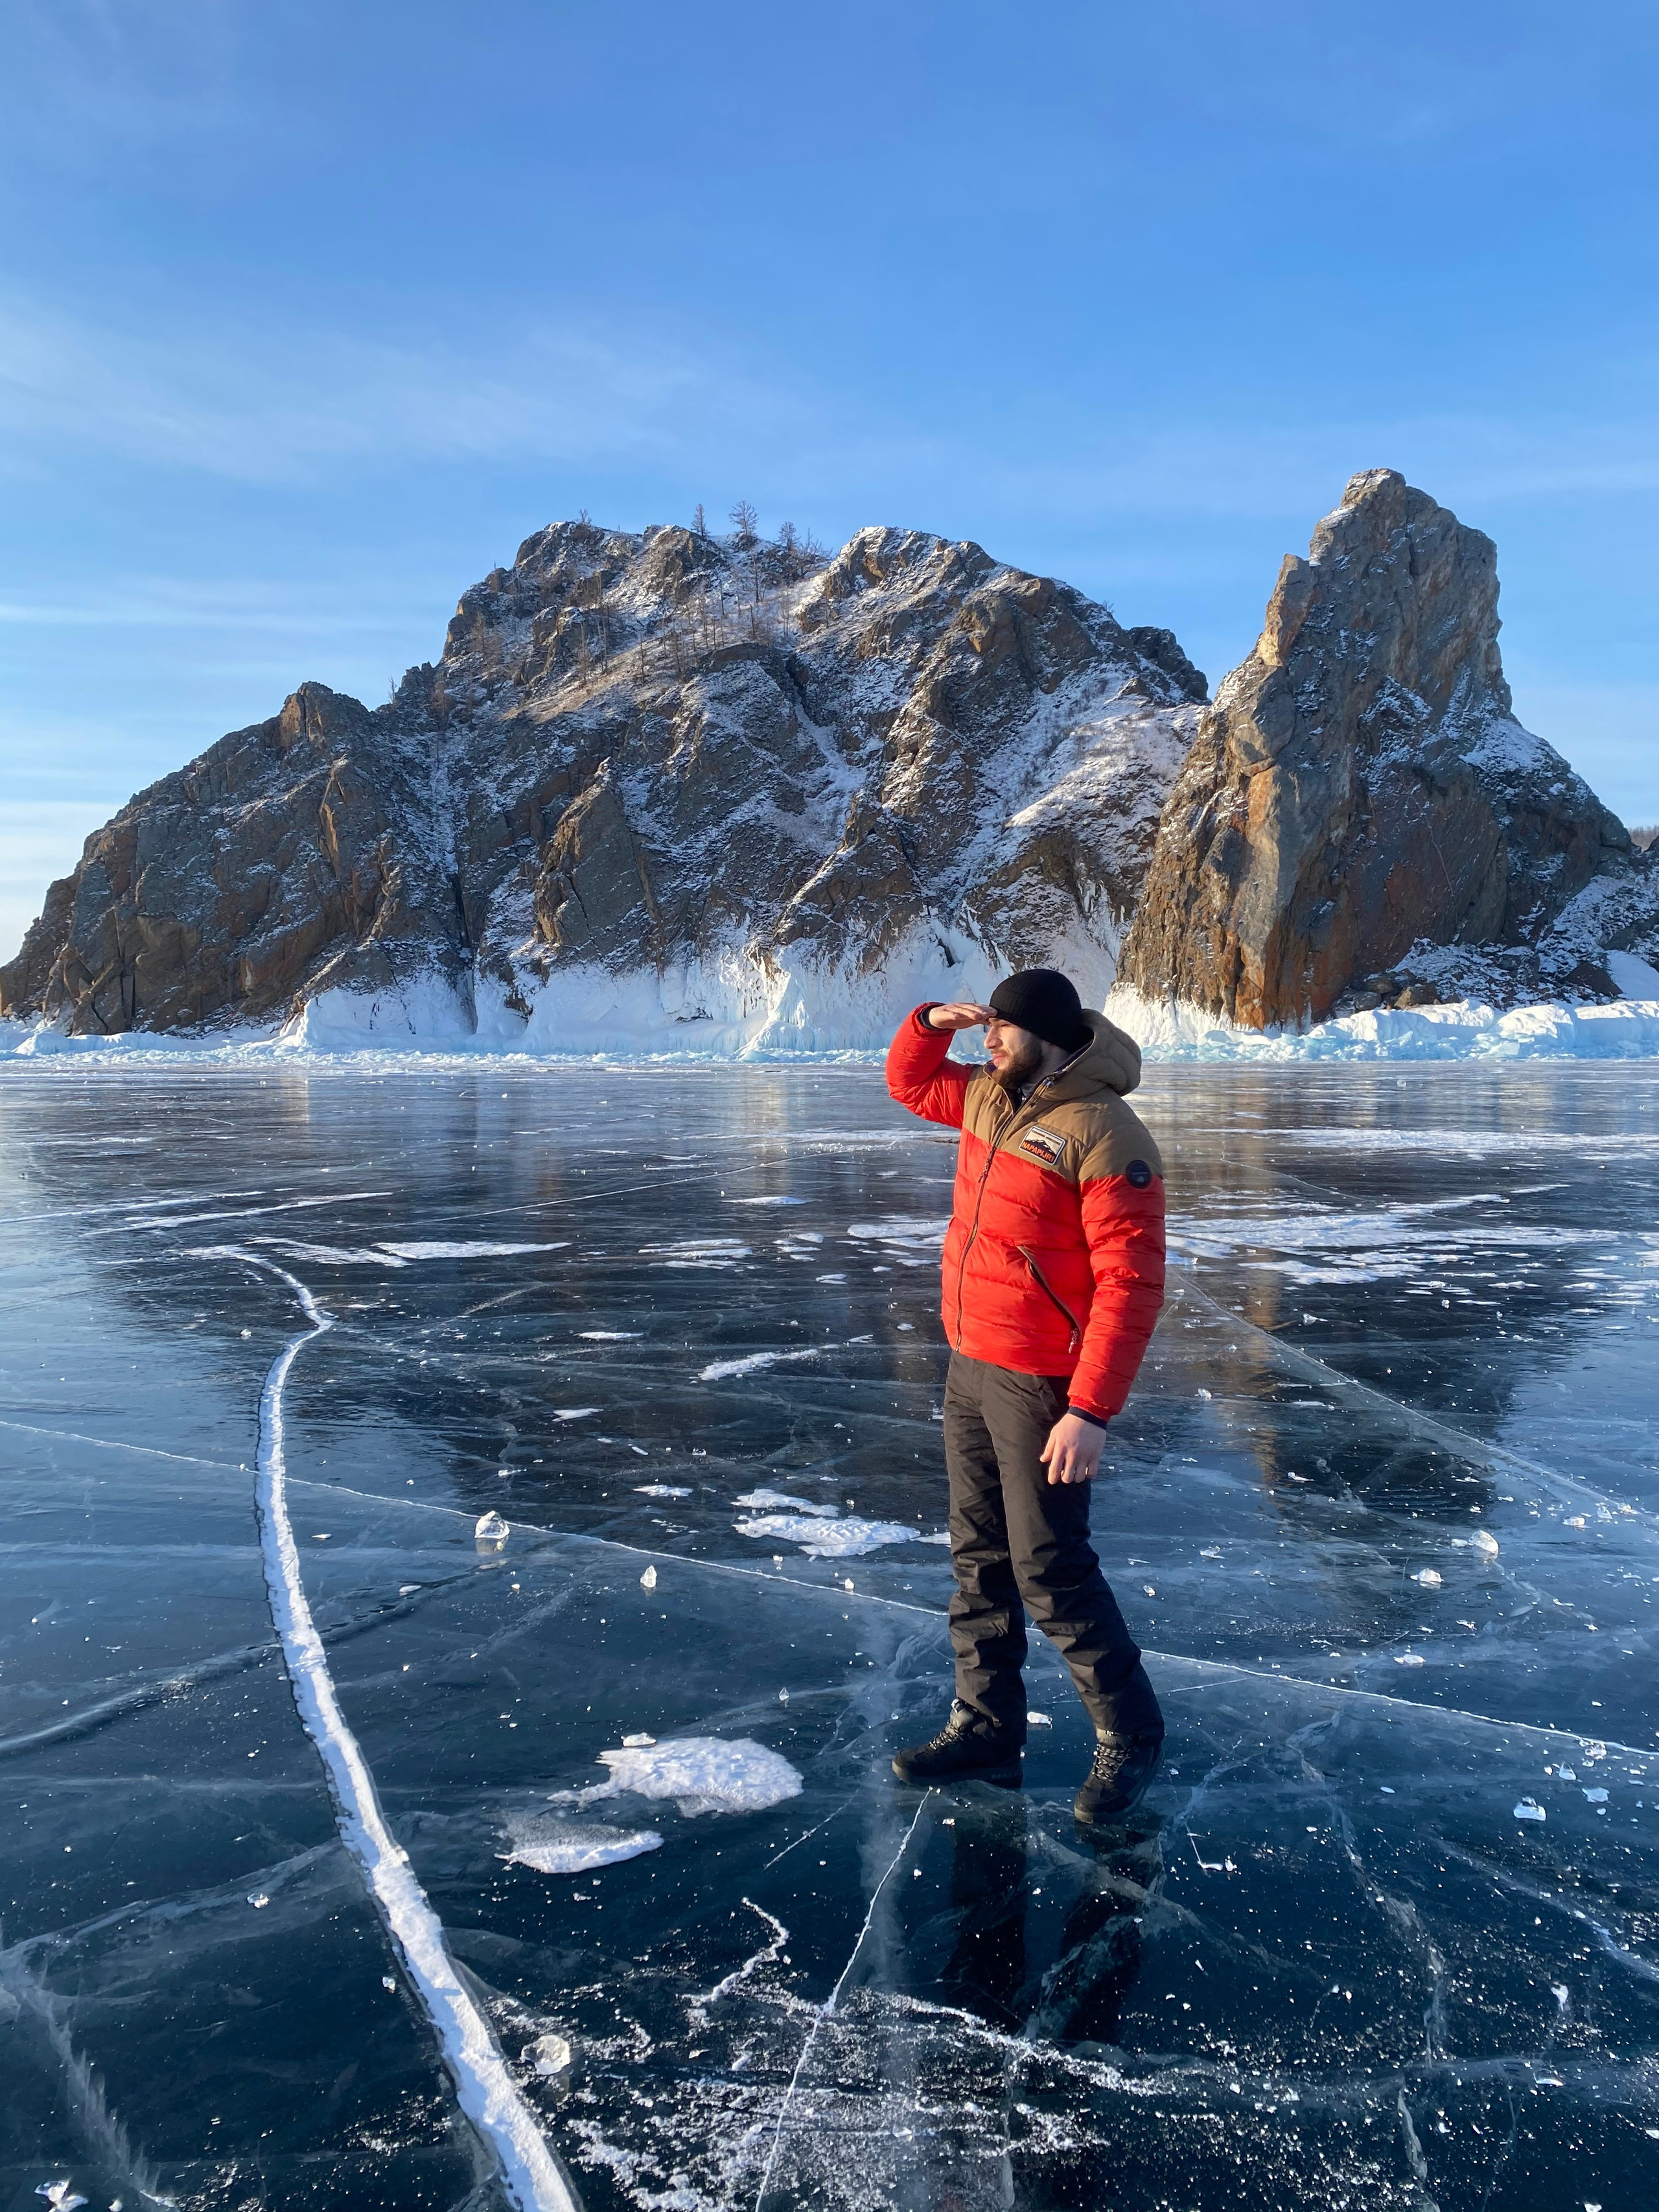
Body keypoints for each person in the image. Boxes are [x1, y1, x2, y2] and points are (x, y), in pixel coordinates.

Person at [885, 967, 1166, 1826]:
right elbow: (908, 1080)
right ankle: (987, 1721)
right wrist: (930, 1019)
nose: (988, 1039)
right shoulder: (983, 1097)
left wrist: (1089, 1410)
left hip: (1044, 1381)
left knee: (1049, 1566)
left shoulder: (1105, 1131)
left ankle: (1130, 1729)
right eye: (986, 1027)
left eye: (1002, 1028)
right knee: (977, 1554)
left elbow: (1131, 1282)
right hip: (970, 1361)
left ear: (1048, 1033)